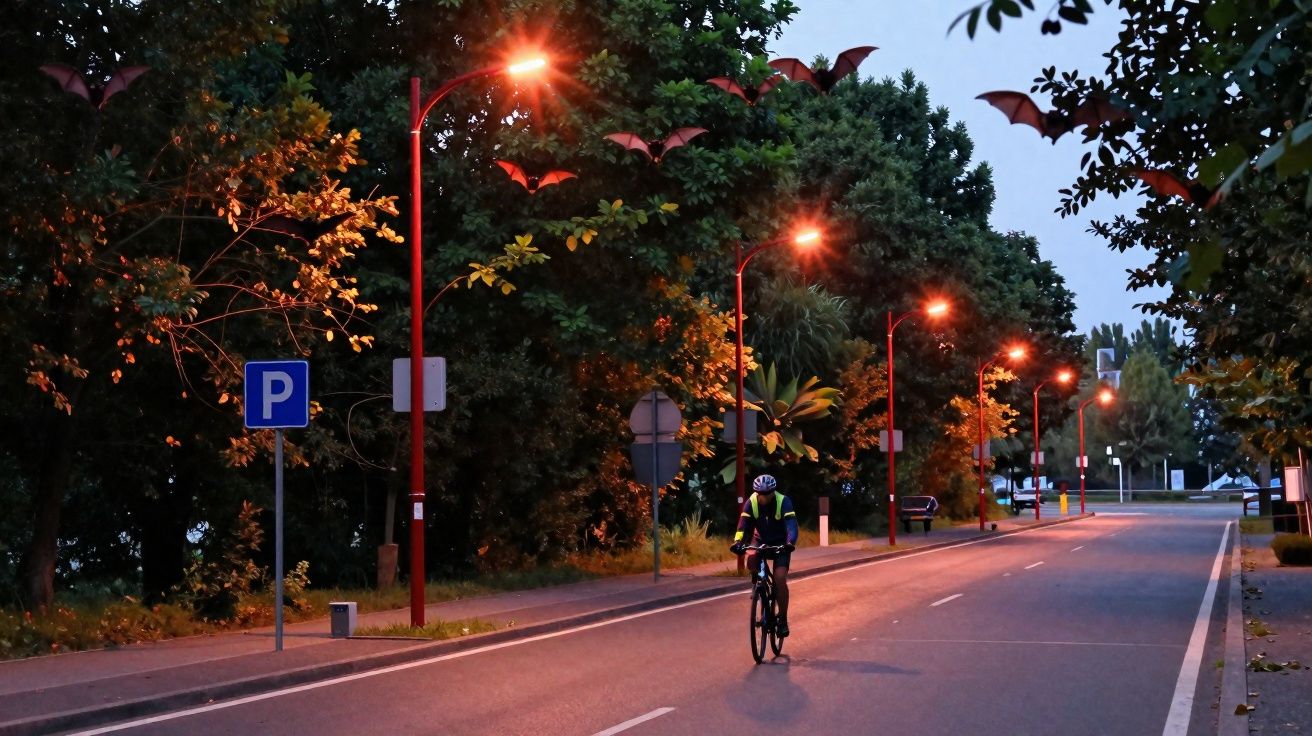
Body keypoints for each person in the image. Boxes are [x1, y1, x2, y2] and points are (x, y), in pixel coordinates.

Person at [730, 474, 798, 637]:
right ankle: (758, 585)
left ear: (773, 492)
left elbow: (791, 526)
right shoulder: (752, 501)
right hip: (760, 539)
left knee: (779, 578)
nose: (763, 497)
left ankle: (782, 619)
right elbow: (742, 525)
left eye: (767, 494)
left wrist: (790, 542)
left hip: (781, 543)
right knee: (751, 560)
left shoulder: (783, 501)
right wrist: (737, 541)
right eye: (760, 494)